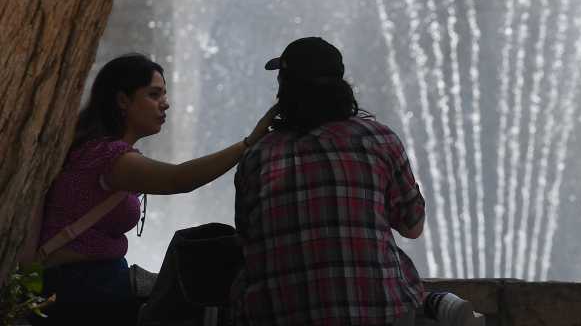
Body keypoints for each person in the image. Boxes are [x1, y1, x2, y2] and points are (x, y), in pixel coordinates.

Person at [232, 37, 482, 326]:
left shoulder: (258, 156)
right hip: (381, 313)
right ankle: (435, 303)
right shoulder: (379, 139)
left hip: (282, 315)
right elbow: (413, 227)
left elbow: (247, 237)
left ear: (284, 91)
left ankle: (434, 304)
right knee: (393, 268)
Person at [31, 53, 275, 325]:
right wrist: (247, 144)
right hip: (83, 293)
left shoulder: (96, 149)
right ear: (123, 100)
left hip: (89, 287)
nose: (165, 104)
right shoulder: (108, 157)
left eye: (164, 94)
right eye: (154, 94)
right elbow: (178, 179)